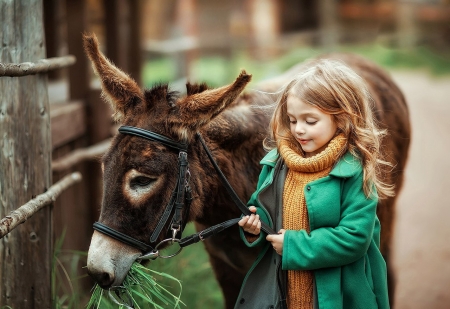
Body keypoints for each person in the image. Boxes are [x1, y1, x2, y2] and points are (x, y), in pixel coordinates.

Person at [235, 59, 392, 309]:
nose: (298, 129)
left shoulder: (353, 172)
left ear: (340, 119)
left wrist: (294, 245)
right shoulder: (276, 164)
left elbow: (355, 238)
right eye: (293, 119)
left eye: (310, 121)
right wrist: (253, 227)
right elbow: (262, 208)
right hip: (283, 287)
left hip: (337, 293)